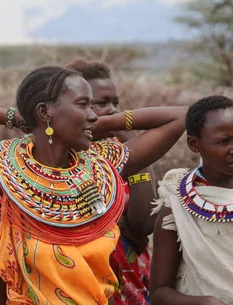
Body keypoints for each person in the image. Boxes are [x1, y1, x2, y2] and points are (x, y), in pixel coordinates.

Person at [0, 66, 187, 305]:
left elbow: (179, 118)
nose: (92, 114)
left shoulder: (101, 166)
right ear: (45, 112)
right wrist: (19, 118)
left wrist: (105, 122)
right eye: (82, 104)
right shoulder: (7, 175)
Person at [67, 58, 156, 305]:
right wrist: (120, 223)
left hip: (133, 281)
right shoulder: (63, 156)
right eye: (101, 103)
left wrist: (135, 148)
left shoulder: (123, 151)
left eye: (116, 102)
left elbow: (144, 222)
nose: (113, 111)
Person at [150, 96, 233, 305]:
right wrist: (202, 303)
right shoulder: (177, 203)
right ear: (194, 144)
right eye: (224, 141)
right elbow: (159, 292)